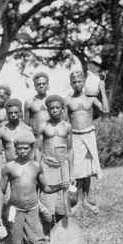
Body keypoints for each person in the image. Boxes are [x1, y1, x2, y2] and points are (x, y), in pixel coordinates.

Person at [0, 130, 66, 244]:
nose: (22, 151)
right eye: (19, 148)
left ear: (31, 149)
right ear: (15, 148)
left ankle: (34, 237)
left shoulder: (36, 167)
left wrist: (60, 186)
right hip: (15, 209)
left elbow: (46, 188)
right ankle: (14, 236)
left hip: (32, 209)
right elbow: (1, 192)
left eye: (26, 148)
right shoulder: (9, 167)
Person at [65, 70, 109, 215]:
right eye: (74, 82)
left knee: (88, 171)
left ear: (83, 82)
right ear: (71, 84)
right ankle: (77, 202)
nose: (77, 84)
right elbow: (64, 121)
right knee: (77, 171)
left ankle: (85, 200)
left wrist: (102, 90)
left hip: (89, 134)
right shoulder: (68, 100)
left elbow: (106, 110)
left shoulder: (91, 99)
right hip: (75, 137)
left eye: (79, 82)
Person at [36, 95, 74, 235]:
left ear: (62, 109)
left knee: (63, 199)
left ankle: (61, 231)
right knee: (47, 198)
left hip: (62, 166)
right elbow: (38, 149)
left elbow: (70, 150)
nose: (55, 110)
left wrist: (72, 171)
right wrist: (37, 169)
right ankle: (47, 232)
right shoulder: (43, 127)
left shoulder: (67, 127)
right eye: (52, 108)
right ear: (48, 110)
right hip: (47, 165)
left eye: (58, 108)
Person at [0, 98, 34, 185]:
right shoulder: (1, 130)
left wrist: (32, 171)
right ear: (6, 113)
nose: (13, 115)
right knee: (8, 197)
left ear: (20, 112)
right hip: (9, 169)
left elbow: (32, 152)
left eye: (16, 112)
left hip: (24, 169)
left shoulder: (27, 130)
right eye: (10, 113)